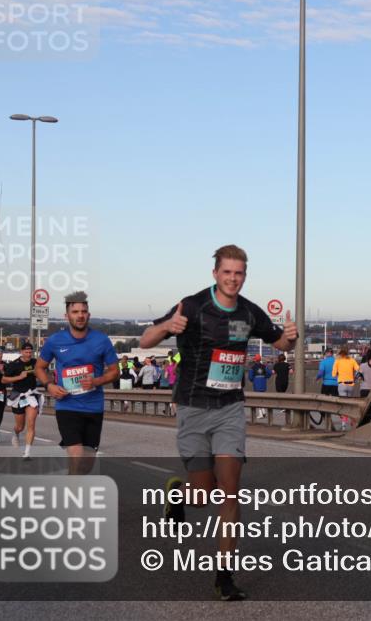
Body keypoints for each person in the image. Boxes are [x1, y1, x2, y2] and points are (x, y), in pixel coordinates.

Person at [139, 244, 298, 601]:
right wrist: (167, 325)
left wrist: (291, 335)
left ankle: (224, 576)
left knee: (230, 491)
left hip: (229, 408)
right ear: (215, 274)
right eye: (227, 272)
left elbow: (283, 344)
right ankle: (177, 492)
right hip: (194, 408)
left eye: (239, 273)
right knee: (202, 495)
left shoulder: (249, 311)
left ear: (244, 275)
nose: (233, 279)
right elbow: (145, 340)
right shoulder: (193, 306)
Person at [35, 291, 120, 474]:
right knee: (77, 454)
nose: (80, 315)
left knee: (87, 463)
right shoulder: (55, 341)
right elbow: (39, 368)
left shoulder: (102, 340)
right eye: (75, 312)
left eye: (83, 311)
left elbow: (115, 372)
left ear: (88, 315)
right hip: (67, 406)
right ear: (67, 316)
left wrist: (97, 380)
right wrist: (49, 386)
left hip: (93, 407)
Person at [3, 341, 42, 459]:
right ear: (21, 352)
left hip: (32, 395)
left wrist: (39, 373)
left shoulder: (35, 362)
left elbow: (45, 372)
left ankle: (27, 452)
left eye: (30, 352)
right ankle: (16, 434)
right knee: (20, 426)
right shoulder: (14, 364)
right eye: (26, 352)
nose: (29, 354)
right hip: (18, 396)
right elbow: (4, 380)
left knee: (31, 424)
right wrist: (19, 377)